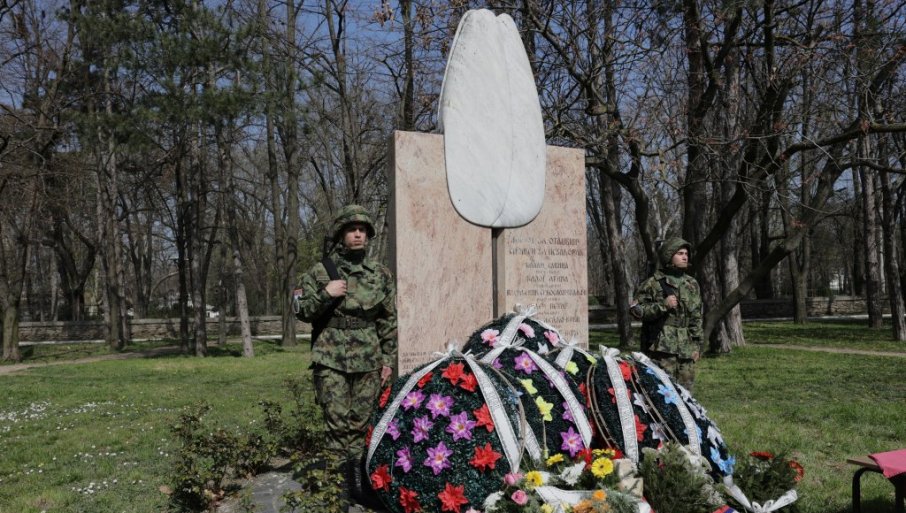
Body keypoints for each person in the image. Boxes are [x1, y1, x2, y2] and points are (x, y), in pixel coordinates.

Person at [294, 204, 397, 500]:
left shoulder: (380, 275)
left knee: (361, 422)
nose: (357, 235)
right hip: (331, 358)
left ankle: (358, 482)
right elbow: (302, 312)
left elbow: (388, 320)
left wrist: (388, 360)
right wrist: (327, 294)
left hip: (368, 357)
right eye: (352, 230)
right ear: (342, 234)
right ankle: (338, 488)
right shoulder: (320, 272)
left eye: (362, 230)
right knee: (337, 422)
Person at [630, 237, 703, 391]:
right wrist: (663, 305)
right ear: (670, 256)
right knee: (663, 392)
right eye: (680, 253)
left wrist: (696, 346)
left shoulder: (692, 284)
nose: (685, 257)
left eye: (686, 254)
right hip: (661, 349)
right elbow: (637, 311)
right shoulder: (653, 283)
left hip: (686, 349)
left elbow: (696, 317)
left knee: (686, 394)